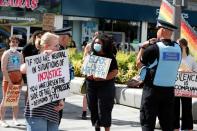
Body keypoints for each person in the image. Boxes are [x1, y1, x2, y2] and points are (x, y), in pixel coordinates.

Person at [136, 19, 182, 131]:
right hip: (169, 91)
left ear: (162, 31)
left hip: (152, 91)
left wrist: (143, 47)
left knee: (148, 123)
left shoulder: (154, 48)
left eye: (158, 29)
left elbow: (138, 64)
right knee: (167, 124)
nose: (157, 32)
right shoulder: (178, 48)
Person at [22, 32, 65, 131]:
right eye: (56, 45)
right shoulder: (38, 59)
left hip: (53, 110)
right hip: (37, 111)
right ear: (46, 46)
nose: (58, 48)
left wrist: (61, 99)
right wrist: (41, 57)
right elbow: (23, 69)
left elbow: (59, 82)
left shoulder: (58, 61)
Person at [85, 33, 118, 131]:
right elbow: (87, 71)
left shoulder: (110, 57)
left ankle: (107, 128)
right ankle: (97, 127)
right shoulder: (92, 55)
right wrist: (89, 75)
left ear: (104, 44)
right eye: (95, 43)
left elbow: (115, 71)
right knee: (92, 106)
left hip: (106, 86)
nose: (96, 45)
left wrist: (103, 78)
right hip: (92, 86)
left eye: (98, 43)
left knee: (104, 108)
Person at [173, 38, 197, 131]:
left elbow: (195, 72)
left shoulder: (191, 59)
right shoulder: (175, 57)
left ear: (185, 46)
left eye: (179, 45)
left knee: (187, 108)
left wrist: (188, 71)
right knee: (175, 107)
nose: (178, 47)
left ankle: (187, 127)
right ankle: (175, 127)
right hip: (176, 86)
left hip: (187, 87)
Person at [0, 35, 24, 127]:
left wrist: (21, 79)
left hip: (17, 79)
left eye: (16, 42)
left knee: (15, 100)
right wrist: (9, 81)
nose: (14, 44)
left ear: (18, 44)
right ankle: (2, 120)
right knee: (5, 100)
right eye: (13, 42)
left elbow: (22, 68)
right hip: (8, 79)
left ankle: (15, 119)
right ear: (9, 43)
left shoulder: (20, 54)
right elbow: (3, 68)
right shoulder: (6, 53)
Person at [54, 27, 73, 124]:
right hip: (58, 87)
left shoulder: (63, 50)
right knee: (57, 112)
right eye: (68, 38)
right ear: (64, 38)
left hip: (61, 86)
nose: (69, 41)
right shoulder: (59, 51)